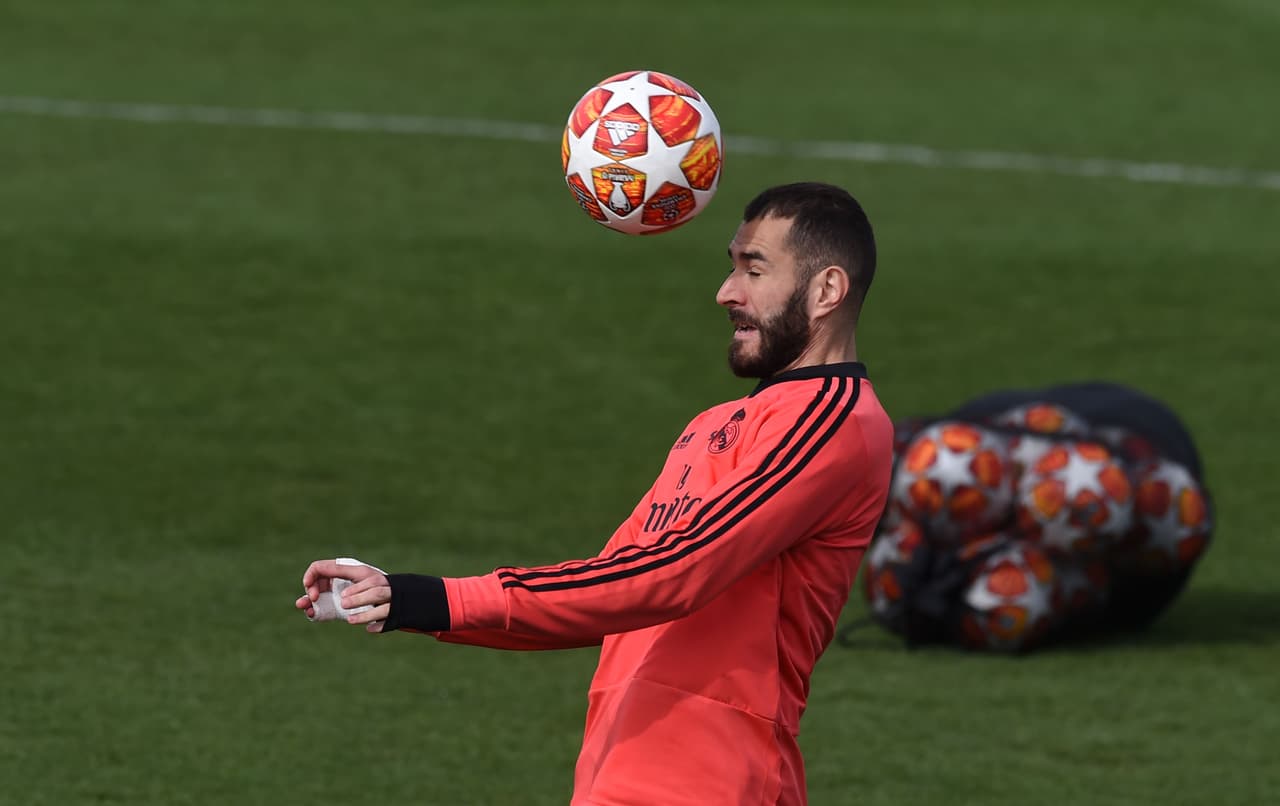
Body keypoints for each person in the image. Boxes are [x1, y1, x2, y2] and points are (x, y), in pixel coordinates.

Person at [296, 182, 894, 805]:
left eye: (754, 268)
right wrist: (405, 603)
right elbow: (609, 586)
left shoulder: (835, 421)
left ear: (826, 290)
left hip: (714, 783)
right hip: (616, 779)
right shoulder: (711, 426)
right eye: (730, 265)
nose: (726, 292)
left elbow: (672, 574)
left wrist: (433, 598)